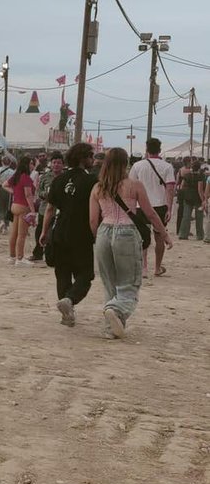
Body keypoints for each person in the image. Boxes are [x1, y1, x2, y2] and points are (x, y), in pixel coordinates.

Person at [89, 146, 172, 339]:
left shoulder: (97, 187)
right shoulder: (134, 185)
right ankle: (115, 309)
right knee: (129, 283)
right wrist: (164, 234)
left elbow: (93, 220)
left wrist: (96, 238)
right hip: (126, 232)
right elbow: (150, 213)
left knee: (109, 282)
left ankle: (112, 327)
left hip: (104, 231)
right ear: (126, 163)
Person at [39, 142, 96, 327]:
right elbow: (96, 210)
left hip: (60, 229)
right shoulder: (91, 181)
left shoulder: (59, 179)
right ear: (83, 158)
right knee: (85, 274)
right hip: (81, 231)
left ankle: (66, 312)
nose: (92, 160)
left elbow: (49, 208)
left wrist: (44, 231)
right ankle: (70, 300)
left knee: (62, 272)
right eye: (90, 156)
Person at [129, 138, 175, 276]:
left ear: (147, 150)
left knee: (143, 237)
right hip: (160, 205)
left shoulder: (137, 166)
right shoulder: (167, 166)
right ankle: (157, 267)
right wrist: (169, 208)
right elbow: (170, 189)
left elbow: (131, 187)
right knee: (159, 237)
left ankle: (143, 268)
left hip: (140, 206)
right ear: (160, 150)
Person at [30, 152, 64, 262]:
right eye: (54, 162)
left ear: (63, 164)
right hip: (44, 209)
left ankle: (53, 255)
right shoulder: (45, 176)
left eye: (59, 163)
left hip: (60, 210)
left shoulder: (66, 177)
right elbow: (39, 191)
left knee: (54, 235)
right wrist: (48, 195)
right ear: (51, 164)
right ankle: (38, 253)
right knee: (40, 231)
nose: (56, 165)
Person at [5, 155, 37, 266]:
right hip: (23, 206)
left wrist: (14, 192)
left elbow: (4, 185)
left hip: (15, 205)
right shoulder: (26, 178)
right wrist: (32, 210)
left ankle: (12, 256)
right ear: (28, 165)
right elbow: (28, 195)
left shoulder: (16, 176)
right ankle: (20, 258)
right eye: (32, 163)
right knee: (21, 234)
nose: (33, 166)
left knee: (14, 233)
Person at [176, 157, 204, 240]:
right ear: (199, 168)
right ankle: (200, 235)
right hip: (197, 198)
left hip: (187, 197)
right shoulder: (200, 176)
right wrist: (203, 200)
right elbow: (200, 189)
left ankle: (183, 234)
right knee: (199, 217)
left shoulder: (186, 175)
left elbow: (181, 186)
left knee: (186, 217)